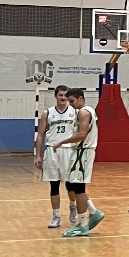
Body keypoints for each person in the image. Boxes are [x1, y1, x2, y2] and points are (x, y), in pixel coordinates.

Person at [52, 89, 106, 238]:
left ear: (80, 98)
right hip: (82, 152)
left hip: (83, 152)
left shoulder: (83, 112)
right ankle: (93, 212)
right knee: (74, 186)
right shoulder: (89, 111)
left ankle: (82, 225)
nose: (70, 104)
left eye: (72, 101)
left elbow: (82, 135)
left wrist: (62, 142)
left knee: (79, 189)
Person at [35, 84, 78, 228]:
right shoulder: (47, 113)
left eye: (65, 95)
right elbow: (40, 135)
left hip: (69, 151)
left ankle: (73, 206)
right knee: (54, 185)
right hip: (52, 151)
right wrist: (38, 155)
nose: (63, 98)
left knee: (70, 185)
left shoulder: (75, 112)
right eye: (60, 95)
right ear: (56, 96)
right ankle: (56, 215)